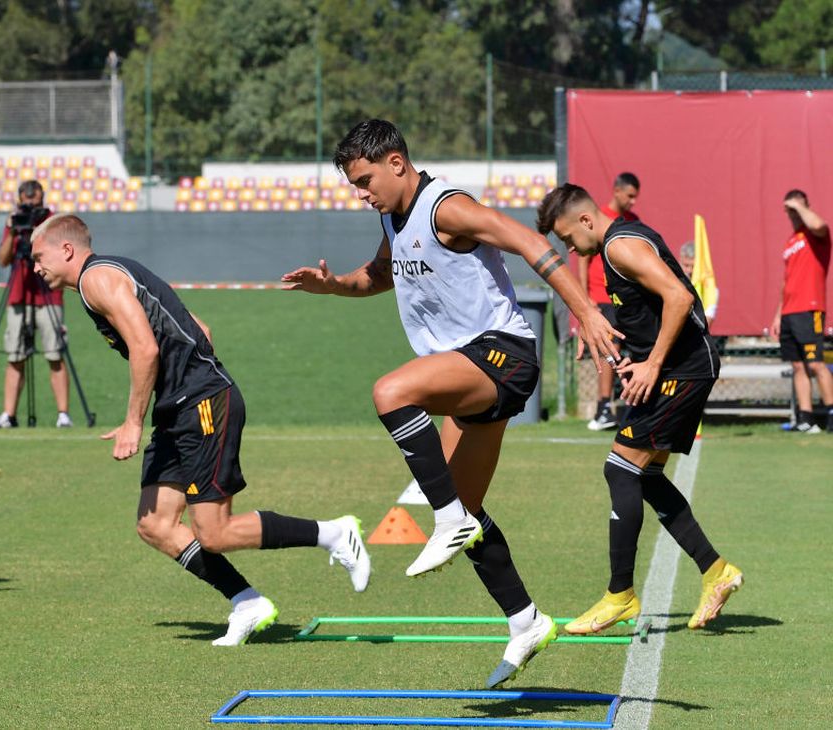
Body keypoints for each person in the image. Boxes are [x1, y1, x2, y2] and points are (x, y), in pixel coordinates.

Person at [281, 120, 621, 687]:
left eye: (365, 181)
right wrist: (335, 285)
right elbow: (381, 274)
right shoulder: (393, 217)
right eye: (353, 186)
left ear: (395, 162)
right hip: (473, 367)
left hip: (502, 355)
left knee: (391, 392)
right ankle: (526, 619)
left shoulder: (446, 207)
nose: (361, 194)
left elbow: (530, 242)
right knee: (470, 508)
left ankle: (445, 519)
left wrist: (585, 310)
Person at [28, 213, 371, 646]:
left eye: (39, 257)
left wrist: (135, 420)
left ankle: (335, 533)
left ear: (66, 250)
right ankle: (247, 602)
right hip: (180, 408)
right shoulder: (117, 272)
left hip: (201, 403)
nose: (35, 267)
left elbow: (145, 348)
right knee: (155, 523)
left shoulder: (97, 280)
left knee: (215, 532)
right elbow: (200, 328)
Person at [537, 183, 742, 634]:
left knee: (620, 469)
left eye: (569, 239)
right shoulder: (622, 240)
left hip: (683, 370)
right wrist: (612, 338)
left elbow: (679, 298)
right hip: (682, 367)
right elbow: (647, 308)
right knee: (644, 476)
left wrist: (652, 363)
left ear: (586, 220)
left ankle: (620, 596)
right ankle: (717, 571)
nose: (570, 249)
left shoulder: (619, 247)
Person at [0, 180, 72, 428]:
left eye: (35, 205)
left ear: (43, 200)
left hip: (48, 295)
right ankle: (9, 414)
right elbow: (3, 260)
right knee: (15, 355)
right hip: (18, 294)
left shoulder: (52, 222)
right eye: (26, 205)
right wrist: (14, 230)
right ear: (18, 201)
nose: (31, 210)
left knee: (54, 354)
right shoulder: (16, 222)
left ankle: (63, 415)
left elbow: (60, 259)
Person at [578, 172, 640, 431]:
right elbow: (583, 258)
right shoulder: (599, 217)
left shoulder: (633, 221)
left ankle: (628, 405)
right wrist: (584, 298)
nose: (633, 202)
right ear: (616, 191)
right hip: (601, 297)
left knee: (627, 350)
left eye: (636, 197)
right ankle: (604, 407)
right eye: (630, 196)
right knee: (608, 349)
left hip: (624, 299)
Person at [770, 190, 832, 434]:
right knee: (798, 366)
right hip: (789, 312)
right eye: (790, 209)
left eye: (799, 207)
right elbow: (786, 282)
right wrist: (777, 315)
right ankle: (805, 419)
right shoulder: (790, 241)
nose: (794, 213)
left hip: (810, 308)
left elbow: (819, 223)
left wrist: (798, 205)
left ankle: (830, 412)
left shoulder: (817, 234)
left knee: (815, 364)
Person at [679, 240, 719, 329]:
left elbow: (706, 324)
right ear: (680, 261)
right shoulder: (671, 282)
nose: (690, 270)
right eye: (686, 265)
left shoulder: (710, 290)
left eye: (694, 266)